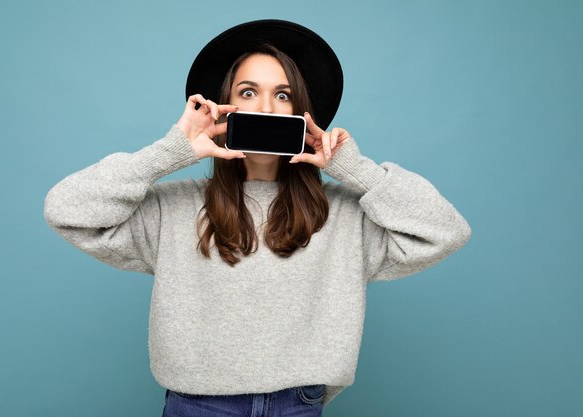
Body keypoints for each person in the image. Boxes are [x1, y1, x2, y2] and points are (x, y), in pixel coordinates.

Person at [43, 19, 472, 417]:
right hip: (198, 404)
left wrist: (353, 169)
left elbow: (445, 231)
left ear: (302, 114)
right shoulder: (171, 210)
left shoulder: (345, 216)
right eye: (248, 92)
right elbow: (66, 210)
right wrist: (171, 150)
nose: (266, 107)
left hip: (298, 404)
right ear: (223, 109)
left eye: (282, 95)